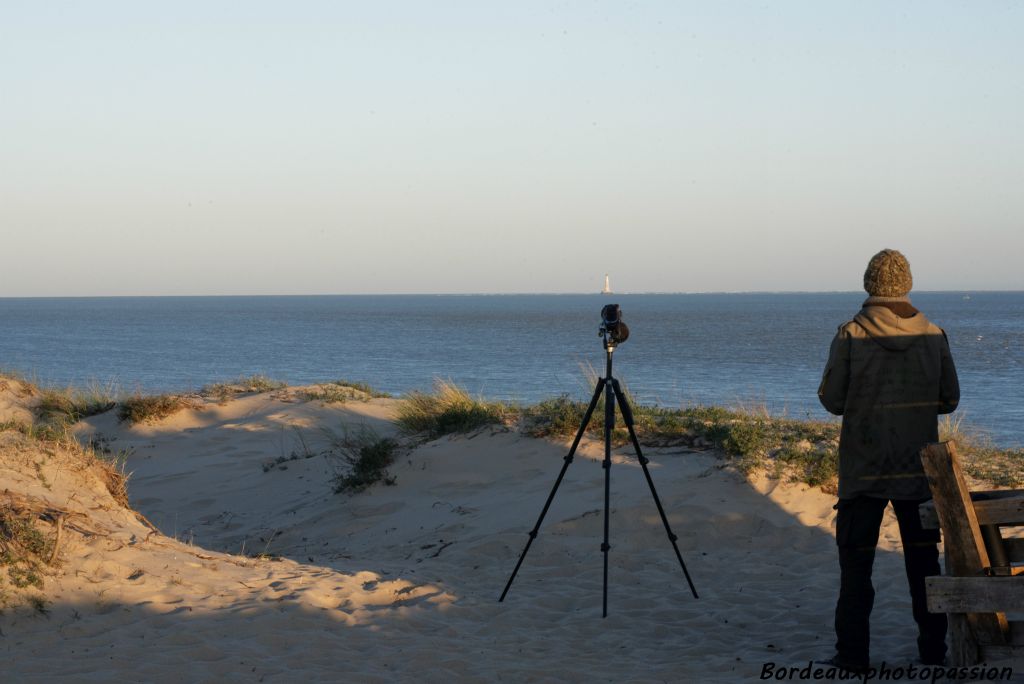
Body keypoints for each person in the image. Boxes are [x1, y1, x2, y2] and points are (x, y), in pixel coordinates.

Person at [818, 248, 960, 671]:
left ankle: (852, 656)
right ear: (906, 285)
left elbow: (832, 400)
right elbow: (949, 399)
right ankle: (933, 652)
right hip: (917, 470)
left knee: (856, 566)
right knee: (922, 564)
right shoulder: (934, 334)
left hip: (862, 470)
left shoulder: (850, 334)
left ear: (869, 286)